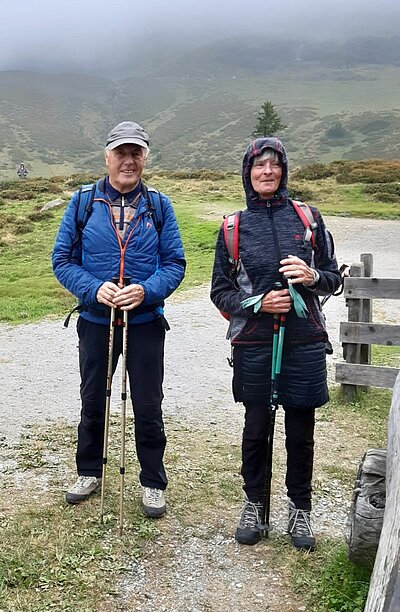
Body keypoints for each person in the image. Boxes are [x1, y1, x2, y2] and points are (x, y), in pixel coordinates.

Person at [210, 137, 341, 550]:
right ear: (247, 174)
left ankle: (299, 510)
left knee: (301, 430)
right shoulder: (233, 228)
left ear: (284, 170)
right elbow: (220, 292)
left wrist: (312, 277)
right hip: (254, 342)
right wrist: (259, 302)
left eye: (274, 164)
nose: (267, 171)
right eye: (258, 165)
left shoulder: (309, 219)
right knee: (256, 428)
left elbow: (334, 278)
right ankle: (255, 505)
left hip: (303, 340)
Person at [52, 121, 185, 518]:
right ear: (107, 156)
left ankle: (152, 482)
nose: (129, 160)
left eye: (136, 153)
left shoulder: (159, 205)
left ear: (145, 157)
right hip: (96, 320)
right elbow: (62, 260)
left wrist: (146, 290)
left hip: (145, 322)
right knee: (93, 398)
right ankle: (89, 471)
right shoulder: (82, 202)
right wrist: (95, 289)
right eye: (121, 153)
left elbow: (175, 263)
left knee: (148, 402)